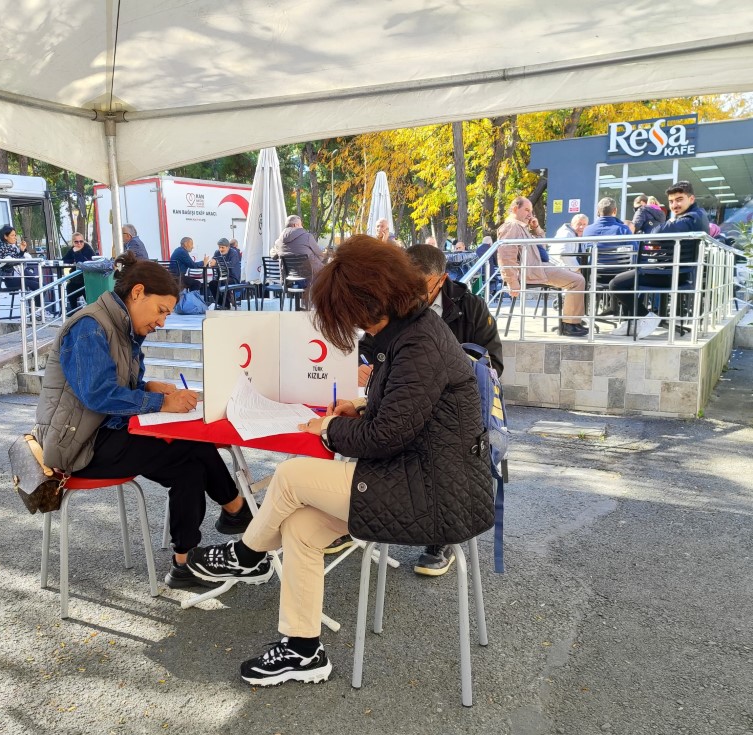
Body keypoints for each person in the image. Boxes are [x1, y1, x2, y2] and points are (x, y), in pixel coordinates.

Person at [186, 236, 494, 687]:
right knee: (301, 529)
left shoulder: (416, 343)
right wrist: (362, 405)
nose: (350, 328)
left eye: (348, 317)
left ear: (366, 304)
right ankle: (303, 649)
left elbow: (387, 437)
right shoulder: (413, 330)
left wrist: (329, 429)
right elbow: (409, 408)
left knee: (290, 477)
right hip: (420, 476)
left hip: (433, 494)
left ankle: (247, 554)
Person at [32, 252, 253, 588]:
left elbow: (118, 387)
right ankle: (237, 511)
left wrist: (148, 386)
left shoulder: (122, 326)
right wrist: (160, 401)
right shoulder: (89, 326)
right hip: (79, 447)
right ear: (137, 293)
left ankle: (186, 562)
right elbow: (98, 394)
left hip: (104, 433)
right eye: (162, 310)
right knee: (189, 449)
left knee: (189, 464)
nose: (163, 321)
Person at [354, 242, 503, 577]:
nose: (412, 297)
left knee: (381, 438)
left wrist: (436, 370)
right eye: (405, 287)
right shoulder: (395, 304)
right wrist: (365, 365)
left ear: (441, 280)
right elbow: (367, 348)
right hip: (400, 401)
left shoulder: (471, 307)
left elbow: (493, 366)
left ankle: (441, 536)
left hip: (452, 414)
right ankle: (345, 517)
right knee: (366, 432)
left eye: (419, 289)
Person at [607, 180, 710, 338]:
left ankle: (645, 317)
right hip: (677, 272)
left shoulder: (689, 219)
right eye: (671, 201)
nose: (674, 205)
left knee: (617, 283)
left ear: (691, 199)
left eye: (679, 199)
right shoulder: (697, 216)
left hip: (673, 275)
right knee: (628, 278)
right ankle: (633, 321)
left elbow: (656, 233)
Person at [496, 196, 587, 337]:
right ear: (515, 209)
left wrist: (536, 228)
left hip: (539, 267)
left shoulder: (521, 227)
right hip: (532, 271)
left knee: (578, 278)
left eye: (531, 211)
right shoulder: (511, 227)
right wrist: (512, 282)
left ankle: (572, 320)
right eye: (526, 210)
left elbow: (542, 246)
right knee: (577, 280)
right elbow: (506, 256)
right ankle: (570, 324)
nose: (530, 214)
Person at [0, 225, 37, 292]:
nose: (15, 238)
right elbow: (15, 261)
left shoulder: (12, 247)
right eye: (12, 235)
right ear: (5, 236)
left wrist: (22, 250)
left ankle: (35, 302)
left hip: (19, 276)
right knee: (37, 286)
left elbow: (17, 259)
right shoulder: (1, 248)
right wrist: (22, 253)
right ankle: (36, 302)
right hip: (11, 279)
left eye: (15, 235)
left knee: (41, 284)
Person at [62, 232, 96, 314]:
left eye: (81, 241)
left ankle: (91, 312)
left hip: (87, 279)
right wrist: (74, 260)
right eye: (76, 242)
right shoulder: (72, 249)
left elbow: (82, 263)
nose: (79, 243)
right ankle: (74, 313)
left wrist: (77, 253)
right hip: (76, 279)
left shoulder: (88, 249)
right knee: (69, 288)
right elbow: (64, 260)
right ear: (73, 242)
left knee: (88, 297)